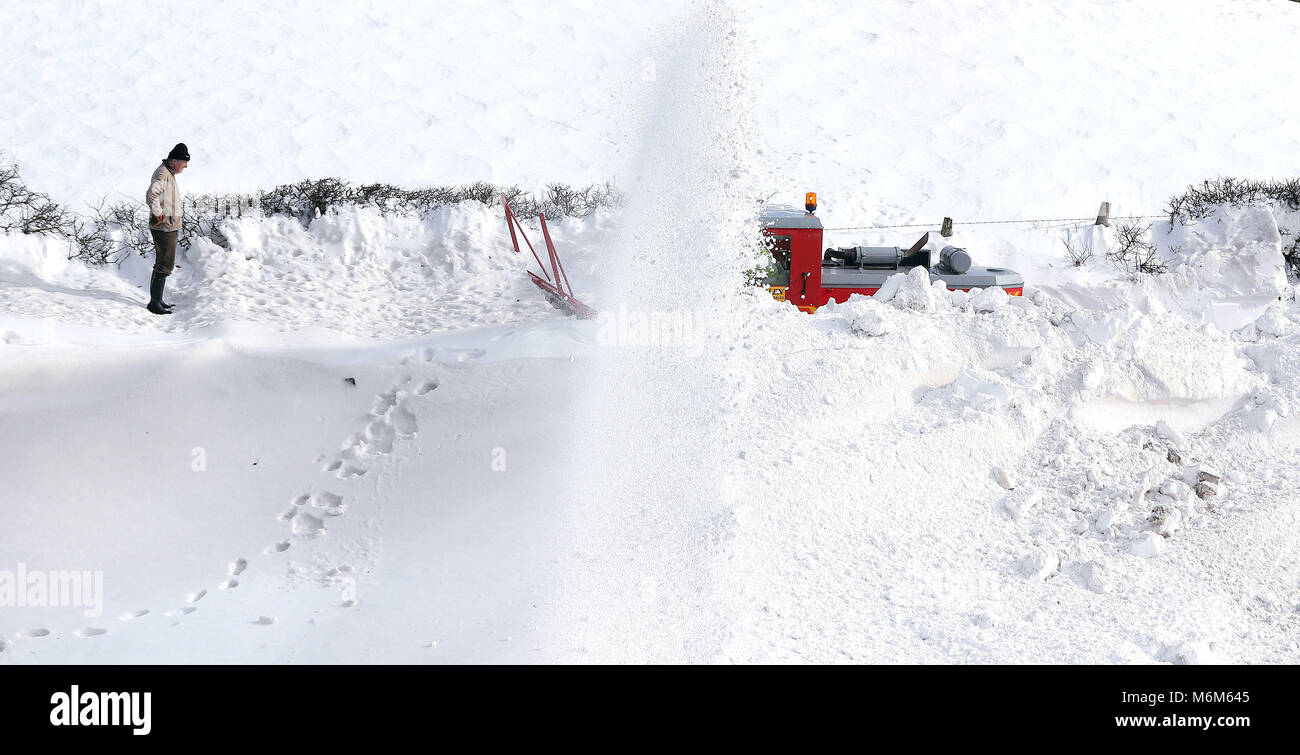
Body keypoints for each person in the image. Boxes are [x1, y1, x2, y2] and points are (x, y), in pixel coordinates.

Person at [144, 143, 190, 314]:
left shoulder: (168, 172)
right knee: (165, 264)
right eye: (184, 162)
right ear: (175, 160)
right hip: (164, 227)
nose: (185, 166)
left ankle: (158, 300)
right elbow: (151, 195)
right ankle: (154, 303)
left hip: (168, 225)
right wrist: (158, 214)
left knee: (163, 263)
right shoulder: (163, 174)